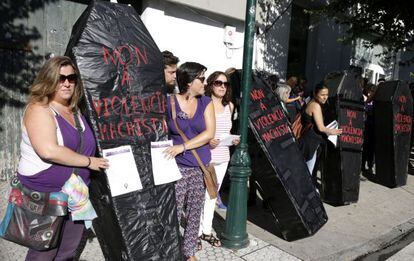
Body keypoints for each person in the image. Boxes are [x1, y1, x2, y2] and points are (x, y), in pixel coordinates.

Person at [16, 56, 109, 260]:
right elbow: (48, 150)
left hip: (77, 190)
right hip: (47, 194)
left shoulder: (74, 110)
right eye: (61, 78)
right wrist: (89, 162)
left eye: (72, 77)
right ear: (48, 79)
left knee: (68, 250)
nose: (67, 83)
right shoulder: (39, 109)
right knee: (43, 251)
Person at [163, 62, 215, 261]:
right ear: (189, 81)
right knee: (173, 212)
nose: (205, 83)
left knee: (194, 213)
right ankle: (171, 248)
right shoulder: (169, 102)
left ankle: (189, 252)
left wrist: (182, 147)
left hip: (199, 166)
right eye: (201, 79)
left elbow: (209, 133)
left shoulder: (206, 102)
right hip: (176, 166)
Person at [198, 71, 240, 247]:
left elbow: (226, 130)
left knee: (212, 195)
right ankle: (197, 231)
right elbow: (197, 130)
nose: (222, 86)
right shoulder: (203, 104)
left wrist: (232, 139)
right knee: (200, 195)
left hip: (222, 156)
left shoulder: (229, 106)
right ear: (210, 84)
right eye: (218, 83)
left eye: (226, 84)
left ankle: (205, 231)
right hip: (205, 155)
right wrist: (208, 140)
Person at [298, 84, 342, 175]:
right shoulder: (316, 106)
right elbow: (321, 128)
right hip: (311, 142)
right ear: (315, 94)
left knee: (305, 168)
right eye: (322, 94)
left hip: (307, 140)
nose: (325, 97)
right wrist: (334, 131)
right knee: (307, 171)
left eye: (327, 94)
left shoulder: (310, 102)